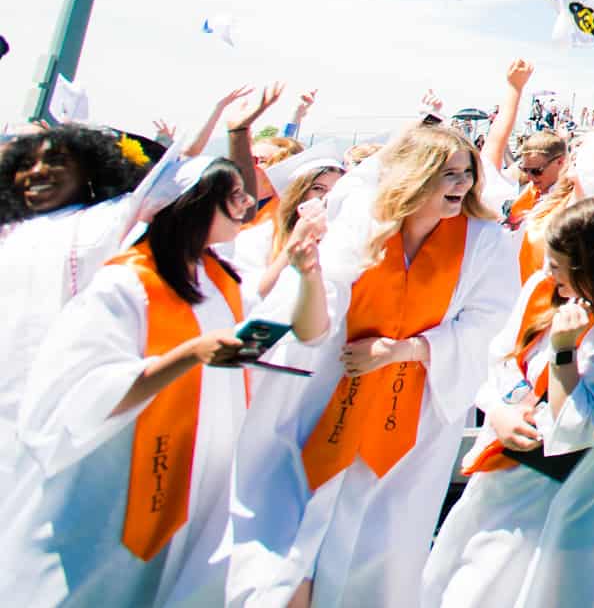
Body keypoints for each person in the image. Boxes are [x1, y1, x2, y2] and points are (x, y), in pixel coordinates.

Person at [10, 148, 328, 607]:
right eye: (234, 197)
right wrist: (189, 354)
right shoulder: (123, 286)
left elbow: (308, 331)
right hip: (123, 474)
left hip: (200, 478)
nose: (247, 207)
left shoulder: (220, 277)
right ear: (195, 204)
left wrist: (307, 273)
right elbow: (81, 392)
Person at [229, 122, 520, 607]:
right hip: (330, 397)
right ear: (416, 175)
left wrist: (405, 350)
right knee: (298, 538)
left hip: (415, 416)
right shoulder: (365, 225)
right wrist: (308, 276)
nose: (462, 185)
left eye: (467, 173)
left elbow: (489, 324)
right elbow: (319, 314)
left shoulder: (485, 242)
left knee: (383, 545)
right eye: (449, 174)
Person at [423, 198, 594, 608]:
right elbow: (497, 359)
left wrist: (563, 352)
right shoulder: (548, 294)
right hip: (508, 484)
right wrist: (501, 411)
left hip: (577, 498)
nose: (549, 275)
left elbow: (579, 428)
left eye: (559, 266)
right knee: (468, 592)